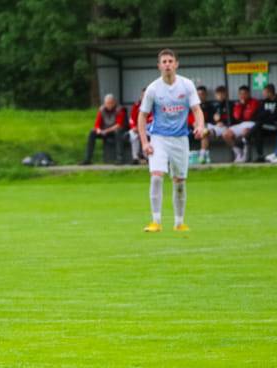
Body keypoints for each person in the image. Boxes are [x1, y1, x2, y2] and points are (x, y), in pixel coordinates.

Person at [138, 49, 204, 233]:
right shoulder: (153, 89)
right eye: (164, 61)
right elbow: (142, 117)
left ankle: (179, 223)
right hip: (159, 138)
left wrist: (200, 126)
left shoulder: (186, 85)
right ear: (159, 66)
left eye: (170, 61)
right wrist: (145, 142)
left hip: (180, 139)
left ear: (176, 64)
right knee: (157, 177)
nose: (167, 64)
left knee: (179, 182)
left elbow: (197, 110)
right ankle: (156, 222)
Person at [81, 94, 127, 165]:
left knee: (118, 132)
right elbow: (97, 123)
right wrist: (98, 129)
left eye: (110, 103)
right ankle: (87, 159)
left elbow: (119, 125)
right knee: (92, 132)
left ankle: (119, 159)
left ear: (114, 102)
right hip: (104, 131)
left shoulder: (120, 109)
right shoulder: (101, 110)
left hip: (115, 131)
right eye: (107, 103)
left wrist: (106, 131)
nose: (109, 105)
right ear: (104, 103)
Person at [222, 85, 259, 163]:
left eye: (245, 93)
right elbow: (237, 116)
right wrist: (241, 105)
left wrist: (243, 105)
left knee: (245, 132)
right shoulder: (238, 104)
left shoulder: (254, 102)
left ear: (249, 94)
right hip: (242, 124)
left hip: (252, 123)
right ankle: (239, 153)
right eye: (241, 94)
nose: (243, 96)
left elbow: (248, 115)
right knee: (225, 134)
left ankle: (245, 156)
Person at [252, 83, 277, 162]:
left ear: (270, 92)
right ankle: (260, 156)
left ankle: (248, 135)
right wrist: (267, 113)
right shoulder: (263, 102)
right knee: (258, 131)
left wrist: (266, 115)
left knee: (258, 125)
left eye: (264, 92)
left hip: (276, 126)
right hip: (265, 126)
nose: (263, 94)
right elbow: (258, 115)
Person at [128, 88, 150, 163]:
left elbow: (153, 119)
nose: (144, 97)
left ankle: (147, 156)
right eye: (143, 95)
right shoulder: (137, 105)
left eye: (146, 95)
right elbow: (131, 119)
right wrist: (134, 127)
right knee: (132, 134)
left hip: (149, 128)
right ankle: (135, 157)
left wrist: (142, 127)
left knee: (146, 134)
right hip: (137, 128)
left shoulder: (153, 105)